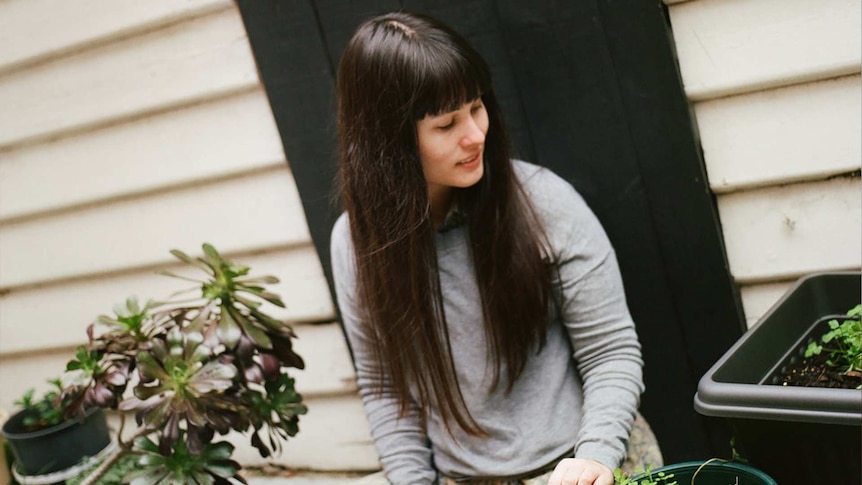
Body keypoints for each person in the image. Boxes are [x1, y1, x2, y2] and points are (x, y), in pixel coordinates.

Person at [330, 11, 661, 485]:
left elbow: (611, 351)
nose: (476, 134)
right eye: (446, 124)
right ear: (390, 143)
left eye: (477, 106)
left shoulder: (544, 202)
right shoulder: (355, 246)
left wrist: (596, 457)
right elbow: (387, 390)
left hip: (585, 464)